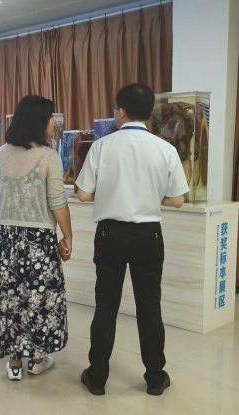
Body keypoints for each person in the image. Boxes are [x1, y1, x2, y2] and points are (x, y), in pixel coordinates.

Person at [75, 83, 189, 396]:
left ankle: (97, 377)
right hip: (148, 235)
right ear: (149, 113)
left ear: (122, 111)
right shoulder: (164, 149)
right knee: (149, 306)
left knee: (106, 306)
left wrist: (109, 194)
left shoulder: (102, 146)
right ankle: (155, 378)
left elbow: (83, 194)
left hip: (109, 234)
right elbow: (178, 200)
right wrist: (150, 197)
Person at [0, 95, 73, 381]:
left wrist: (4, 231)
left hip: (5, 239)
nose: (54, 123)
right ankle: (36, 359)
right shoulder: (48, 156)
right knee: (38, 298)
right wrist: (67, 236)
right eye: (51, 117)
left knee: (10, 298)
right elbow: (57, 202)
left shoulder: (0, 154)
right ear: (39, 121)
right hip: (39, 241)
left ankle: (14, 364)